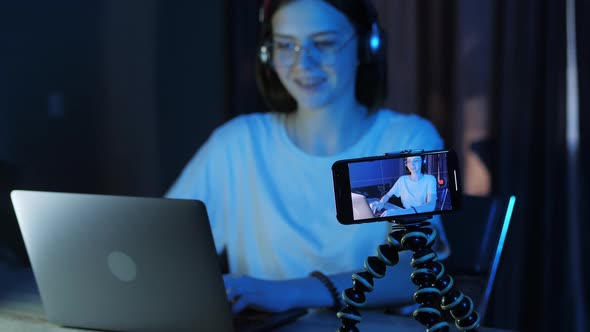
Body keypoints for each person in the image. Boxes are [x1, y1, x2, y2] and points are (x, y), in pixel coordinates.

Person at [166, 0, 450, 314]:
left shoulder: (404, 141)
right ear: (268, 54)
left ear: (367, 46)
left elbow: (415, 273)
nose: (304, 63)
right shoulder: (238, 144)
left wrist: (290, 293)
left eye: (324, 43)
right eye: (287, 46)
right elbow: (161, 246)